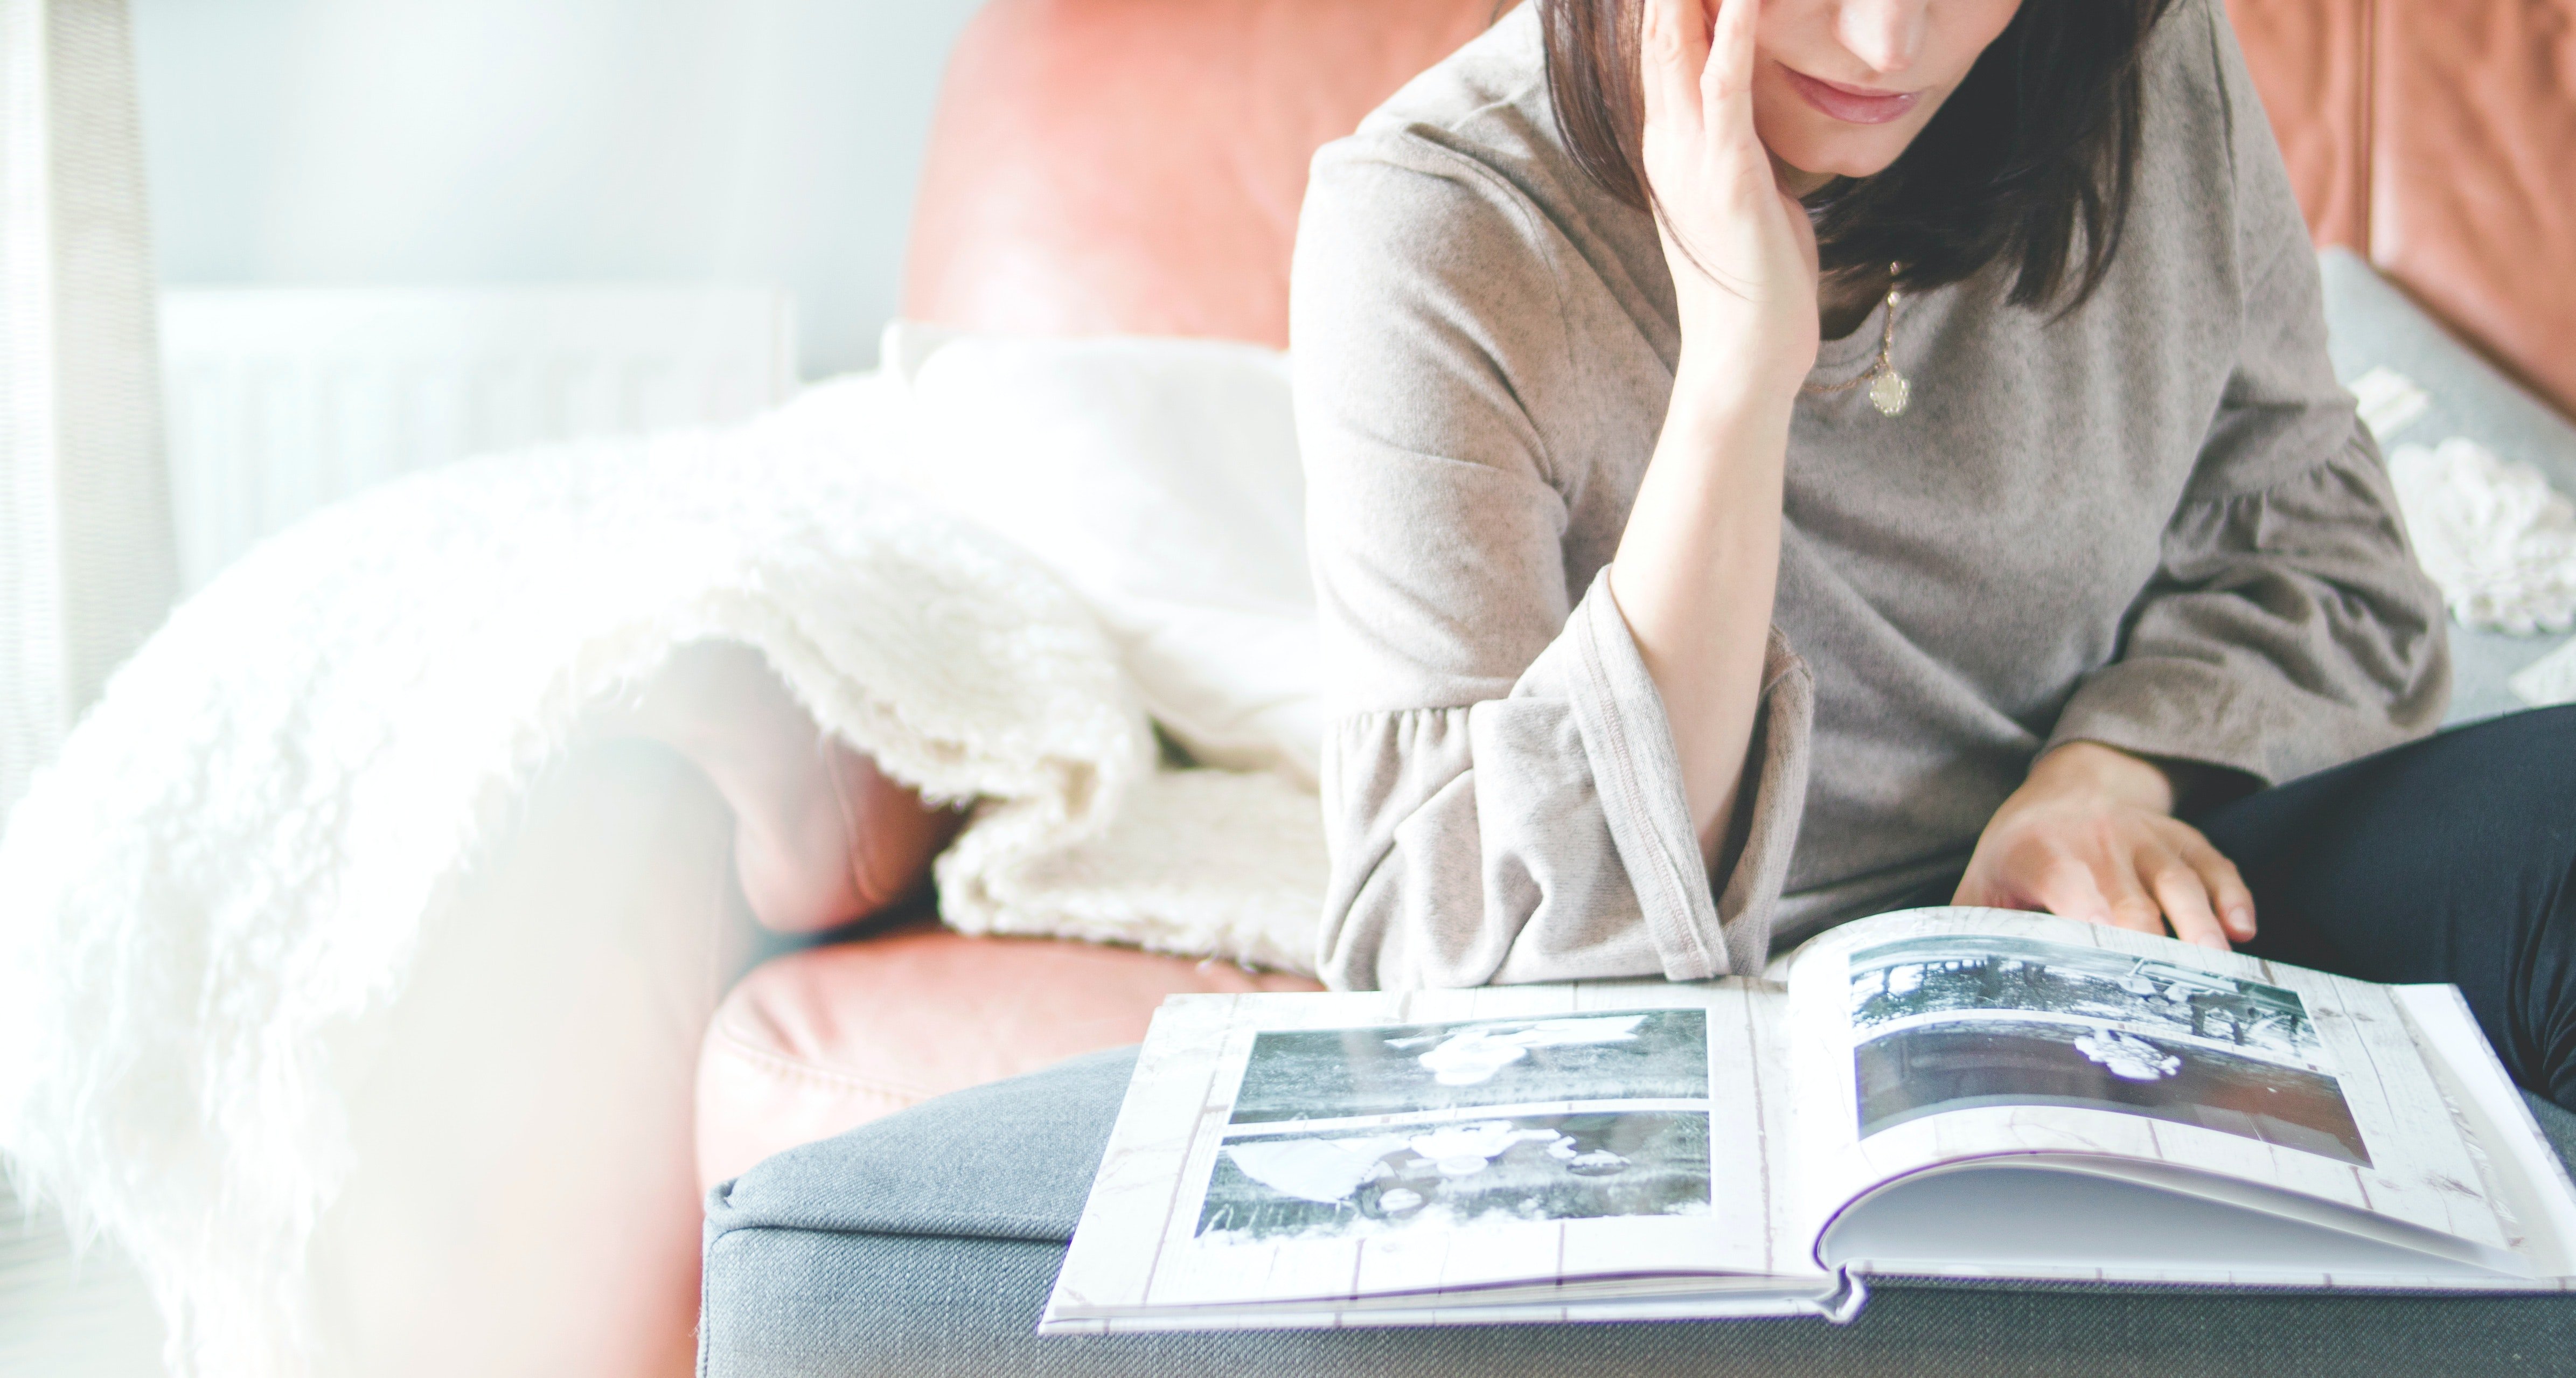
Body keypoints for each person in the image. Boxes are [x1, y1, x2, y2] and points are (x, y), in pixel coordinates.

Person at [1290, 0, 2576, 1108]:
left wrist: (2101, 784)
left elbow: (2325, 550)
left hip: (2131, 902)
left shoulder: (2132, 59)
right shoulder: (1438, 226)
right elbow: (1465, 974)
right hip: (1738, 1042)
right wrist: (1740, 372)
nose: (1888, 43)